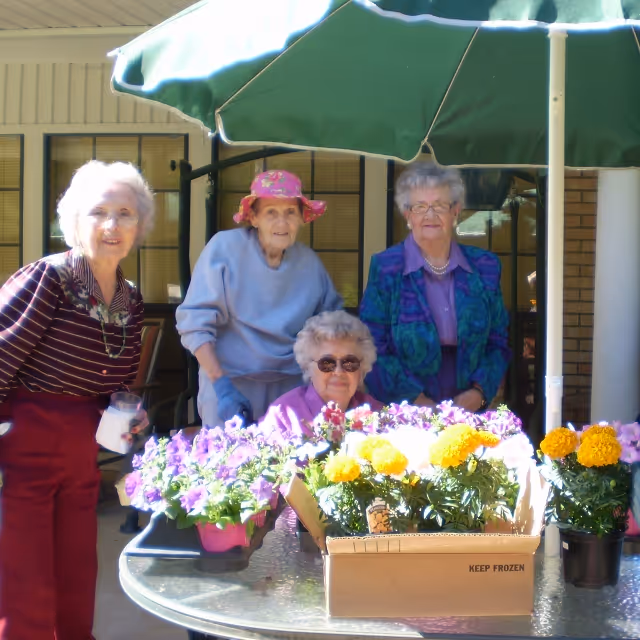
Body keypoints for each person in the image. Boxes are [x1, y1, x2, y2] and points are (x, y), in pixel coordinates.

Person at [0, 161, 152, 640]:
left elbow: (121, 382)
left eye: (125, 213)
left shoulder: (130, 298)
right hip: (26, 441)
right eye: (98, 212)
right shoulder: (50, 277)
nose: (111, 226)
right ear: (74, 222)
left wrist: (132, 416)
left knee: (77, 567)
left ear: (139, 224)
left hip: (84, 449)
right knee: (24, 575)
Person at [176, 170, 342, 428]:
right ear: (253, 217)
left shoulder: (310, 264)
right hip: (229, 382)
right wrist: (221, 386)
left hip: (291, 388)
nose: (282, 223)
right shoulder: (224, 249)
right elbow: (195, 325)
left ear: (301, 217)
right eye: (271, 213)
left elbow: (333, 327)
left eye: (290, 212)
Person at [360, 162, 511, 410]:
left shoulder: (485, 267)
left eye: (439, 206)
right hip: (407, 403)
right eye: (419, 206)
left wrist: (478, 392)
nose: (430, 215)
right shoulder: (386, 267)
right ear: (407, 214)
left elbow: (498, 342)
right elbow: (372, 345)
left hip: (470, 400)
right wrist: (416, 401)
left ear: (455, 211)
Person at [261, 311, 382, 439]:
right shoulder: (283, 417)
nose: (339, 372)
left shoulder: (377, 414)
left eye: (349, 363)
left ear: (362, 368)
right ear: (308, 367)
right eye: (327, 363)